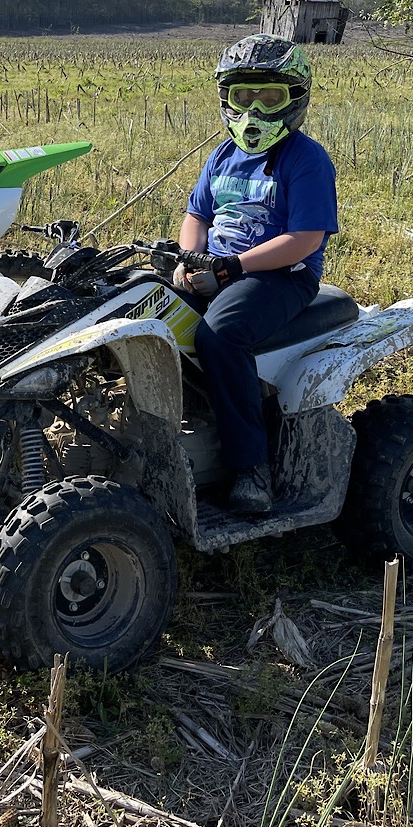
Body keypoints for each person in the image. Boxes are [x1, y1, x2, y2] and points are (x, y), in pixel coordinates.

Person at [175, 34, 338, 514]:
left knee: (221, 335)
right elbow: (197, 217)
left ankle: (252, 470)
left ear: (295, 99)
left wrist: (235, 266)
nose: (254, 110)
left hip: (282, 275)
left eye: (270, 97)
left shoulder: (306, 159)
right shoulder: (222, 156)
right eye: (243, 96)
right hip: (220, 266)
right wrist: (190, 258)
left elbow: (306, 239)